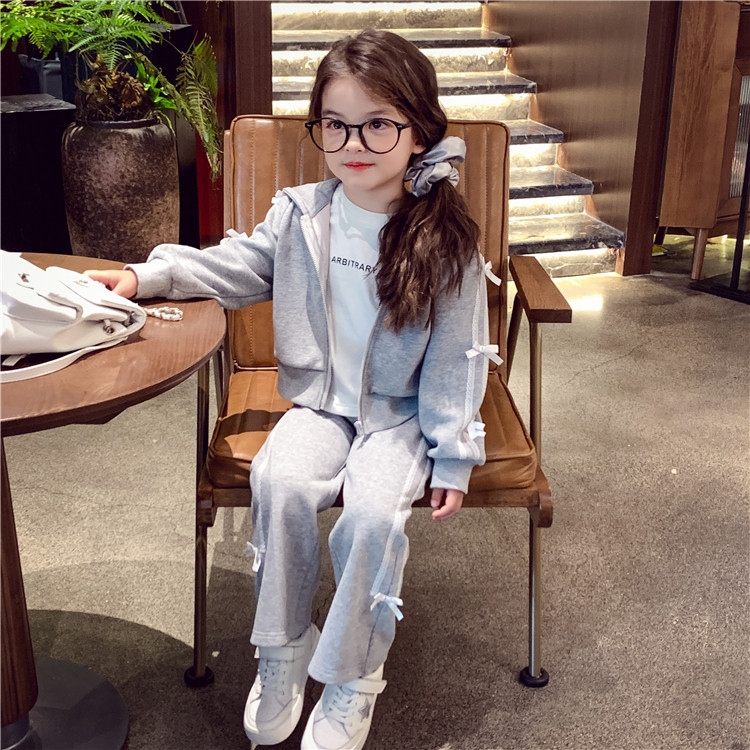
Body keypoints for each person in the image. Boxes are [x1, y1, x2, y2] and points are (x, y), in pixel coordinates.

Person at [87, 29, 495, 750]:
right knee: (277, 481)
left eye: (378, 123)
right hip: (320, 405)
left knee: (370, 517)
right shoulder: (303, 216)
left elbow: (458, 358)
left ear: (419, 131)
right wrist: (145, 277)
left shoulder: (445, 239)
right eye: (335, 124)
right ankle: (283, 650)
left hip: (400, 418)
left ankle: (353, 675)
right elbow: (235, 265)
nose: (354, 143)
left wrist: (453, 453)